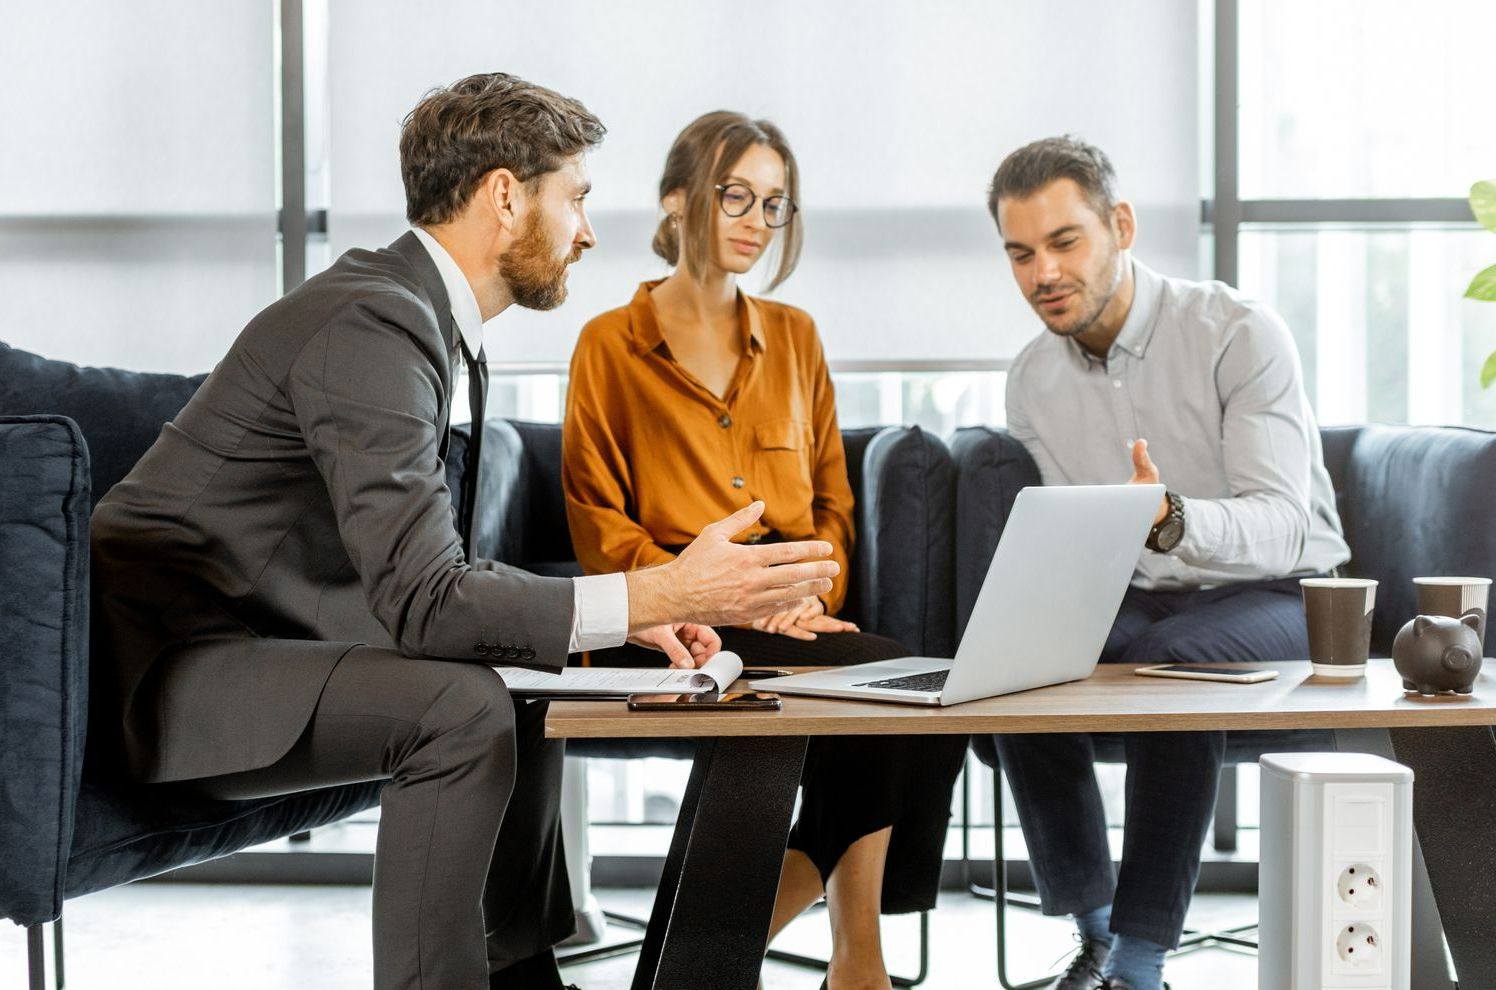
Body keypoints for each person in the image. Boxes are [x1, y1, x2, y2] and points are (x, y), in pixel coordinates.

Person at [90, 74, 842, 990]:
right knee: (462, 709)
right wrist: (665, 590)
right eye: (577, 199)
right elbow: (427, 600)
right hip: (172, 681)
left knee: (522, 673)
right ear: (505, 195)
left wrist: (620, 618)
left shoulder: (418, 321)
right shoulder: (373, 319)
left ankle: (523, 971)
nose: (590, 231)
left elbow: (424, 566)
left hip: (254, 649)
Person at [562, 110, 968, 990]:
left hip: (788, 614)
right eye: (734, 193)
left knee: (925, 691)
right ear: (677, 200)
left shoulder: (795, 336)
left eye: (774, 203)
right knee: (901, 683)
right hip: (674, 625)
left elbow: (833, 506)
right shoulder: (608, 344)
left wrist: (808, 593)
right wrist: (700, 596)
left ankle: (821, 951)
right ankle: (807, 953)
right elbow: (597, 519)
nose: (755, 218)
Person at [982, 136, 1350, 990]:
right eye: (1021, 253)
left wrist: (1173, 518)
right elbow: (1082, 536)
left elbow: (1287, 524)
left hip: (1284, 592)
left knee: (1175, 669)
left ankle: (1140, 964)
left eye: (1065, 242)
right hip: (1147, 597)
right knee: (1011, 658)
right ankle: (1098, 929)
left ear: (1121, 225)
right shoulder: (1032, 378)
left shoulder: (1236, 332)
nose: (1044, 274)